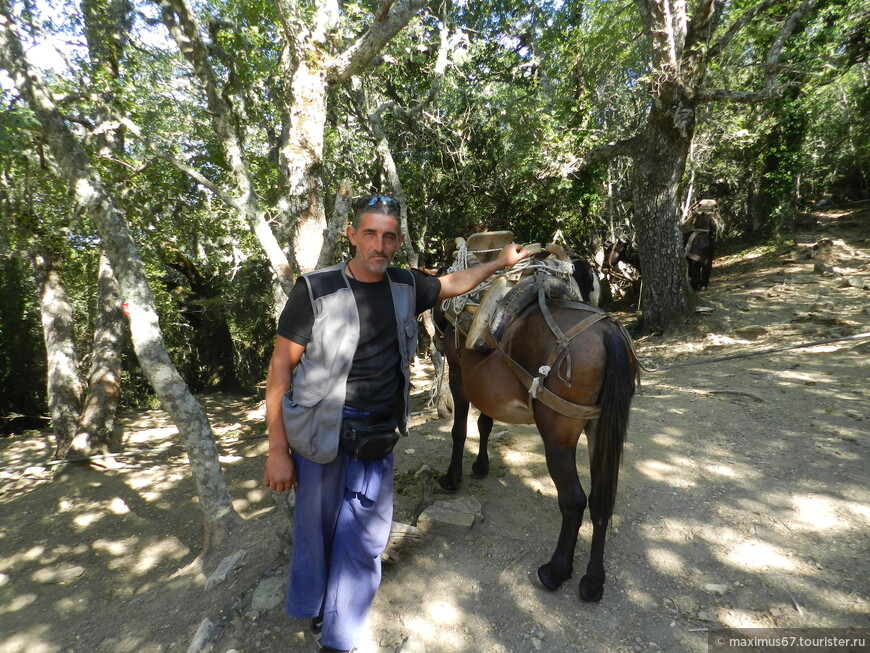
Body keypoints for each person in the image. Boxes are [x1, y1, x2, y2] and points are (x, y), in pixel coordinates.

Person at [263, 195, 529, 653]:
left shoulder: (405, 286)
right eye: (370, 233)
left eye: (389, 237)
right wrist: (277, 450)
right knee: (316, 529)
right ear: (352, 235)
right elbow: (279, 370)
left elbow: (451, 283)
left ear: (398, 241)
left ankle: (339, 637)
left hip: (377, 435)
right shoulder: (315, 290)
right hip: (321, 432)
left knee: (364, 539)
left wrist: (498, 264)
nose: (379, 245)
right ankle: (318, 608)